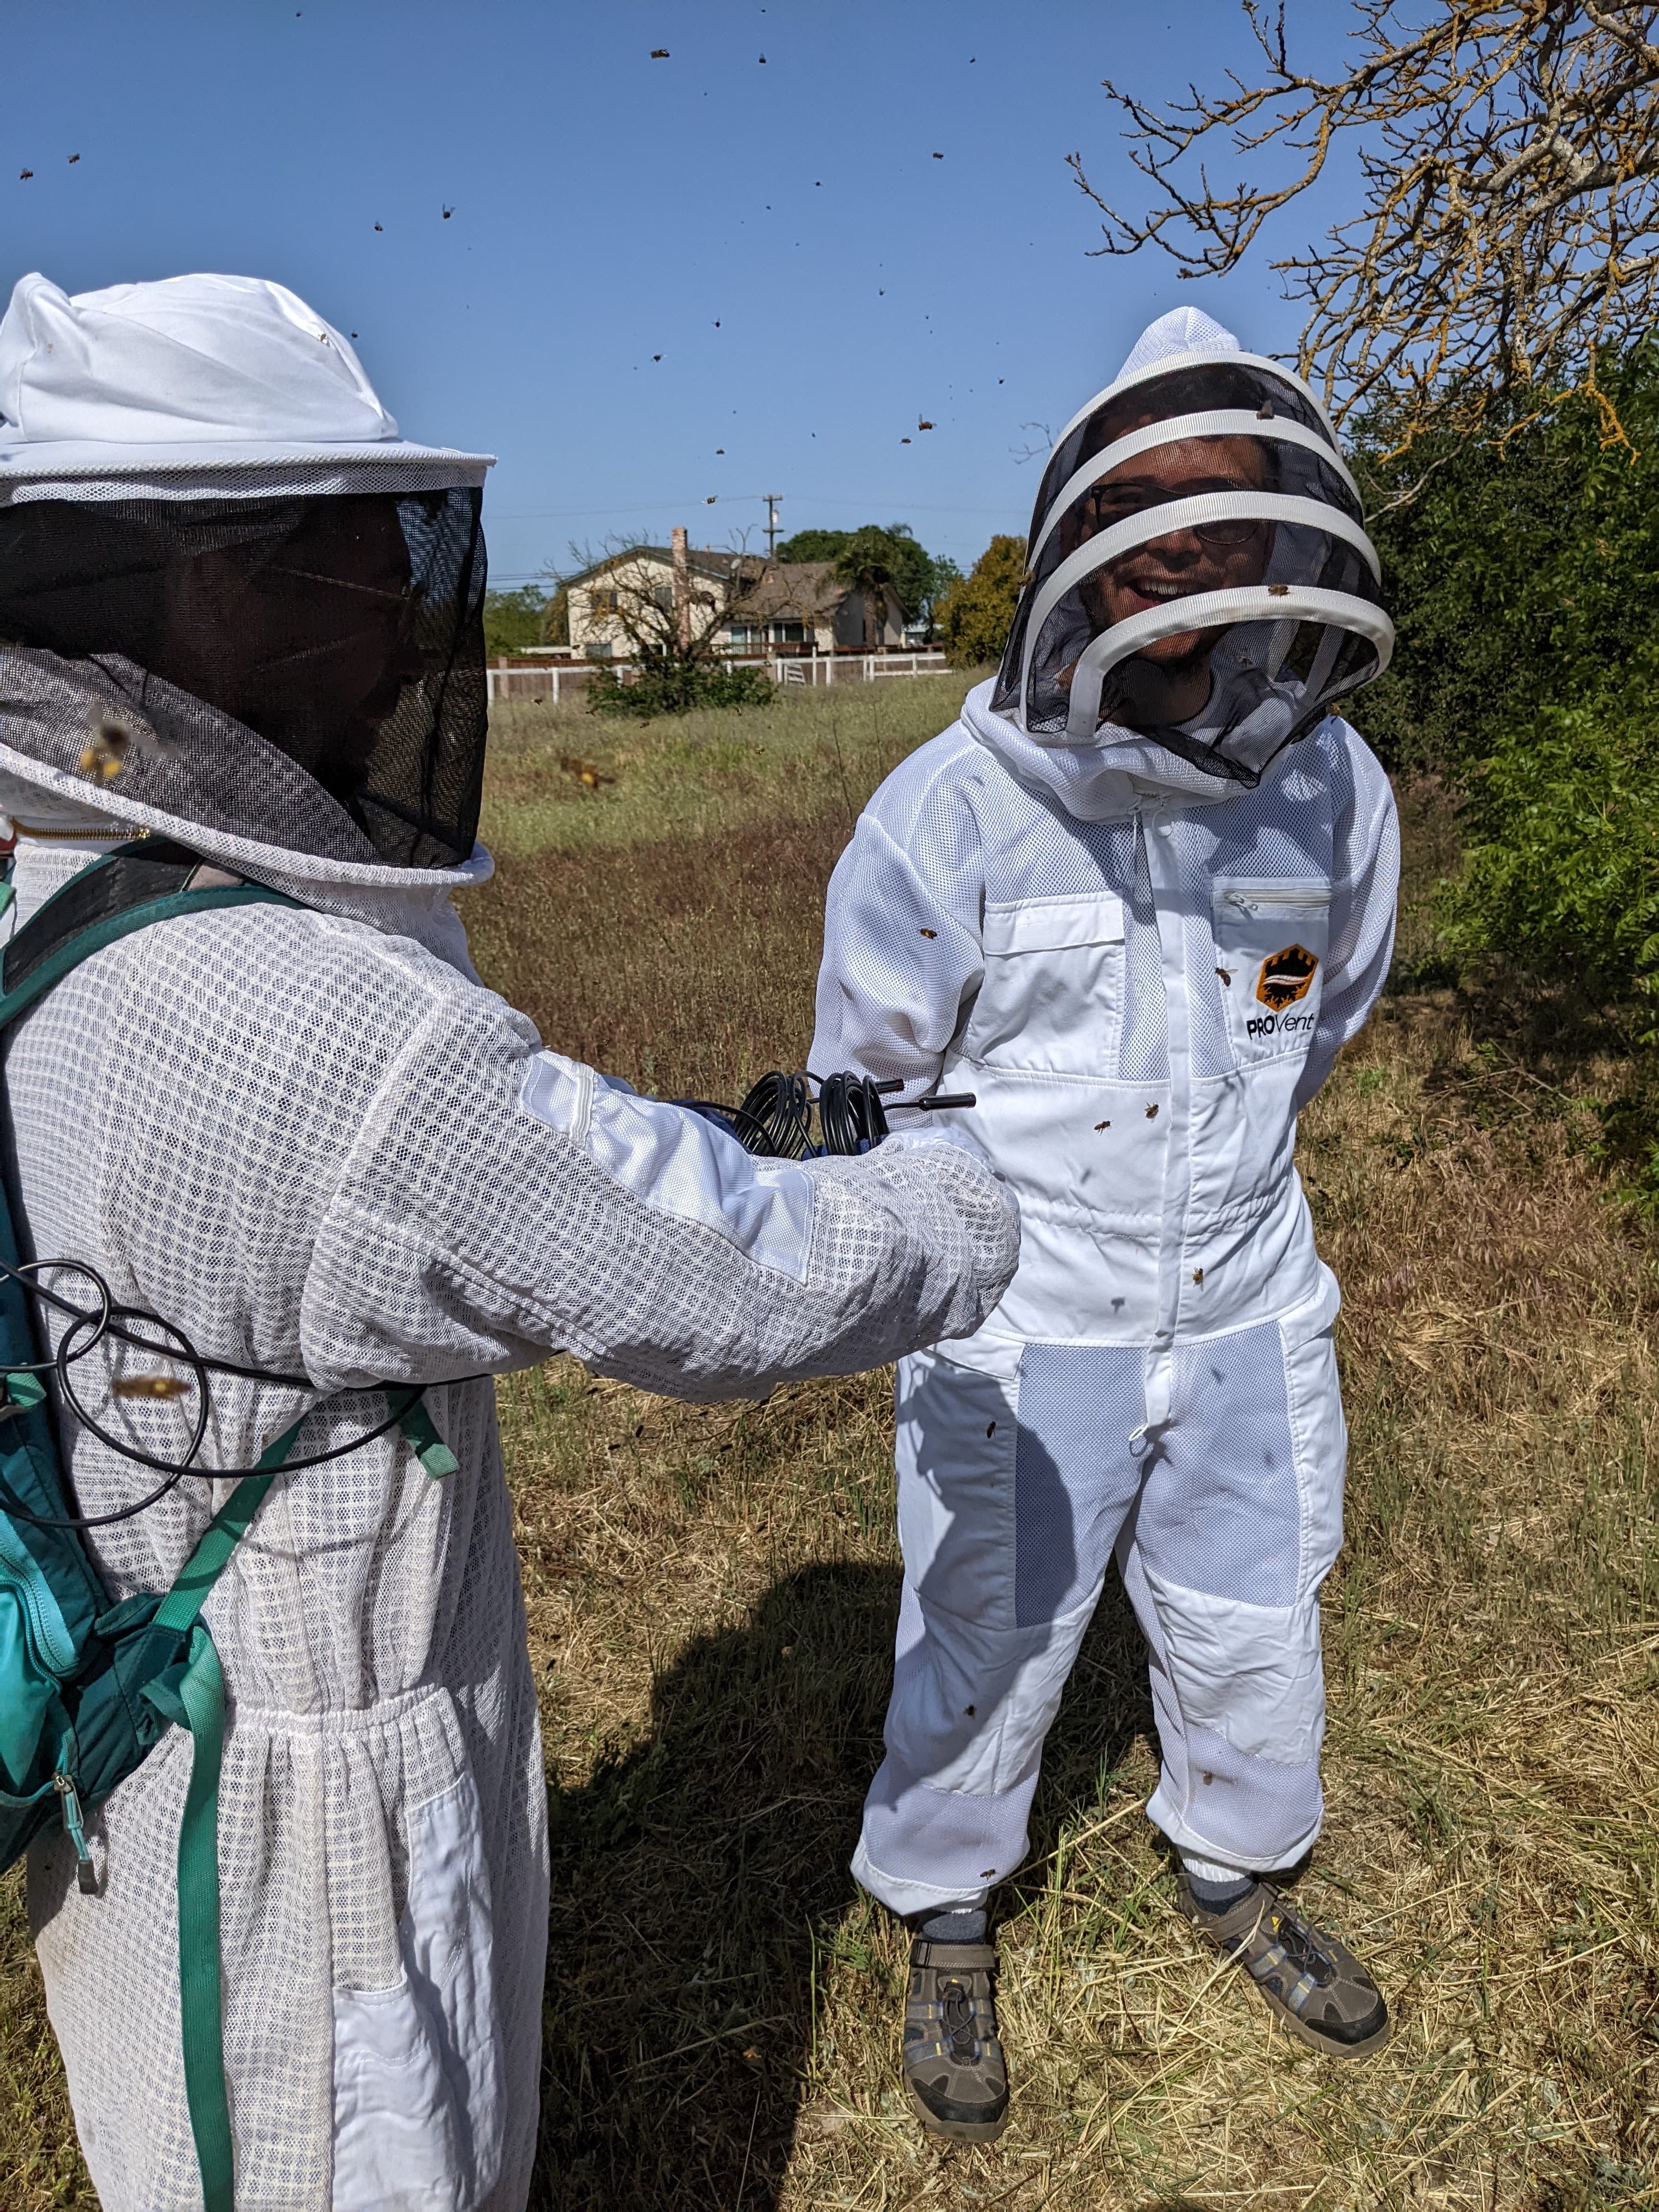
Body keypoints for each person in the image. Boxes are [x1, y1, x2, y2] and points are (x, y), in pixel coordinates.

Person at [0, 270, 1020, 2211]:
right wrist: (980, 1199)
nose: (405, 617)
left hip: (127, 1708)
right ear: (200, 589)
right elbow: (716, 1279)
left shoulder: (50, 880)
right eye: (351, 561)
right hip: (303, 1830)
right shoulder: (312, 1027)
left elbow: (488, 1174)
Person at [811, 306, 1400, 2141]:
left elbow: (1325, 1021)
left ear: (1289, 537)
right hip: (1026, 1318)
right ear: (1083, 538)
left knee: (1255, 1613)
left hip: (1244, 1300)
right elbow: (872, 1088)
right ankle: (947, 1905)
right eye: (1158, 513)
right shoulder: (953, 812)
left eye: (1229, 516)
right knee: (987, 1629)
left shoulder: (1333, 786)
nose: (1191, 555)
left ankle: (1238, 1866)